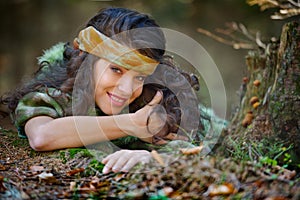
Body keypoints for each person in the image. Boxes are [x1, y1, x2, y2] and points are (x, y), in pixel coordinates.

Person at [0, 7, 200, 174]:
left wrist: (152, 158)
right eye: (116, 70)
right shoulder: (52, 94)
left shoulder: (153, 100)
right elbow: (41, 136)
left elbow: (191, 149)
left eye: (139, 77)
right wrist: (131, 124)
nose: (126, 89)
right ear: (86, 62)